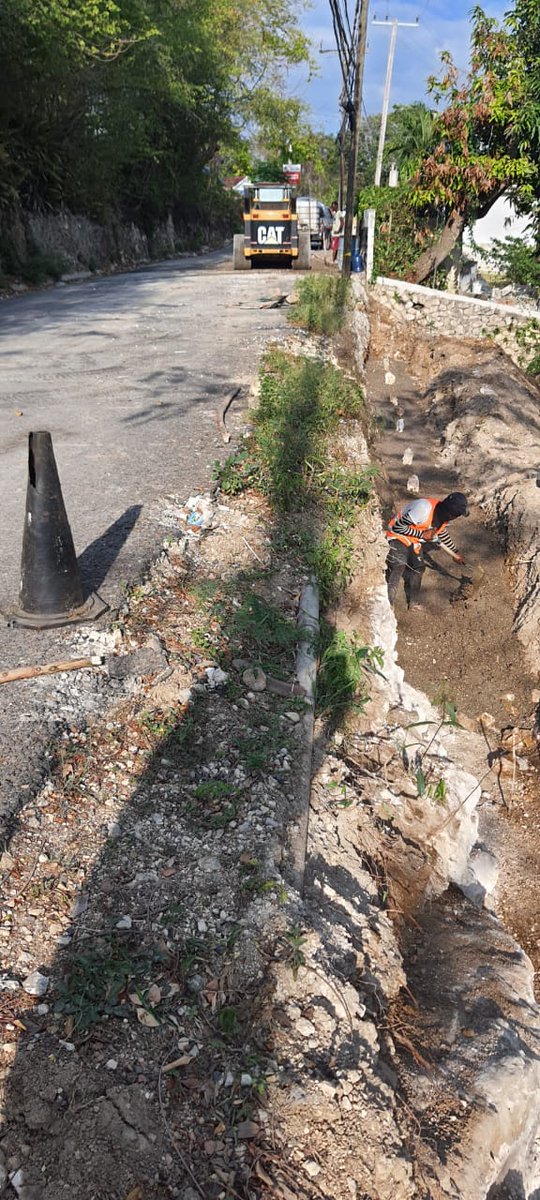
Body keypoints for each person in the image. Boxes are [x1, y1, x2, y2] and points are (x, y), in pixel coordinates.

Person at [385, 492, 469, 608]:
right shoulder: (423, 508)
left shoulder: (443, 516)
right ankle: (388, 602)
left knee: (419, 568)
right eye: (458, 515)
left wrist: (455, 551)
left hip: (414, 541)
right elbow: (397, 527)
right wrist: (422, 534)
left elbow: (442, 533)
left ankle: (413, 603)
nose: (457, 517)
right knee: (399, 564)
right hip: (396, 535)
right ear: (451, 513)